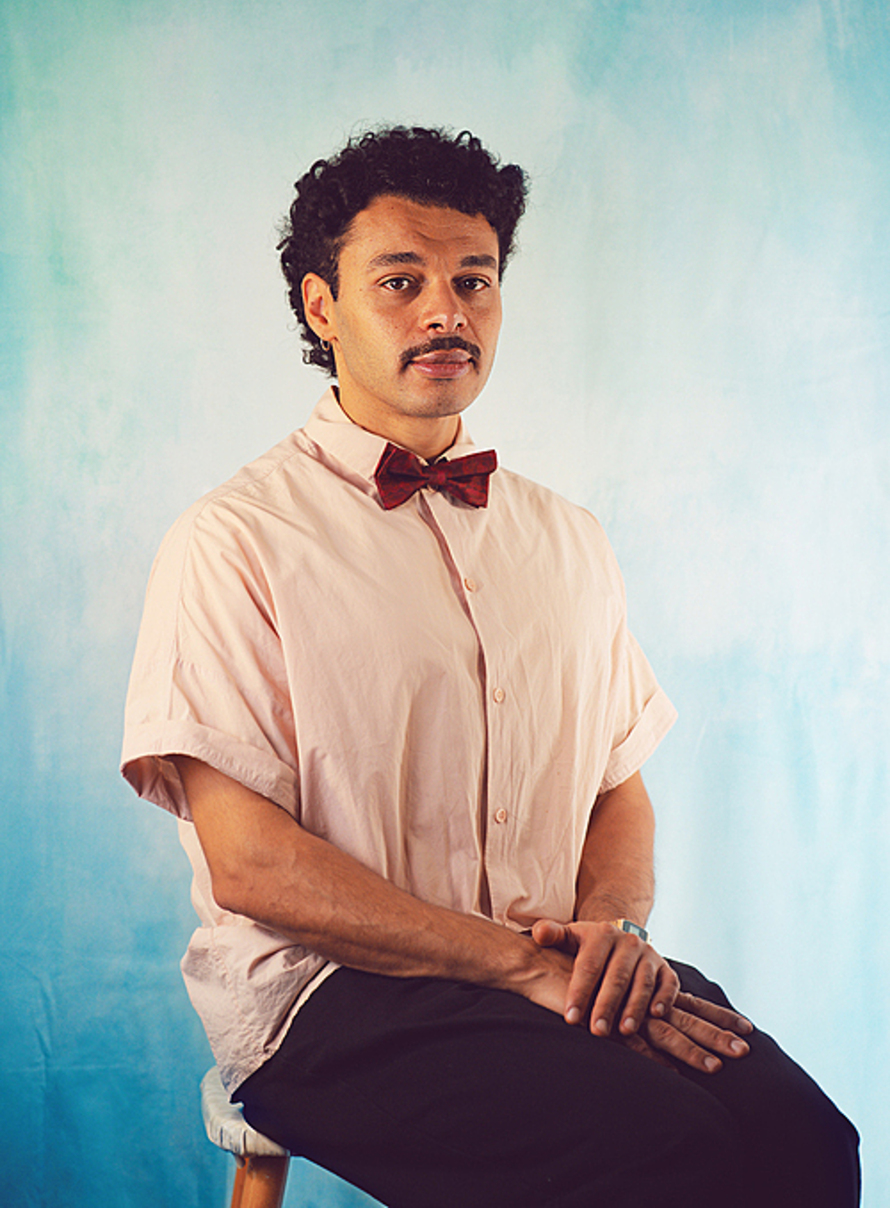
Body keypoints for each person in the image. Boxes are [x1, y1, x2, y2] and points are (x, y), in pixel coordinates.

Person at [122, 125, 860, 1207]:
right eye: (401, 282)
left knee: (807, 1142)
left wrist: (612, 929)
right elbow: (250, 867)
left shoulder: (568, 537)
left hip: (553, 963)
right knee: (661, 1155)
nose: (446, 312)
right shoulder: (231, 540)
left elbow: (617, 787)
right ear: (322, 308)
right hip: (329, 993)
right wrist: (514, 963)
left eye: (473, 279)